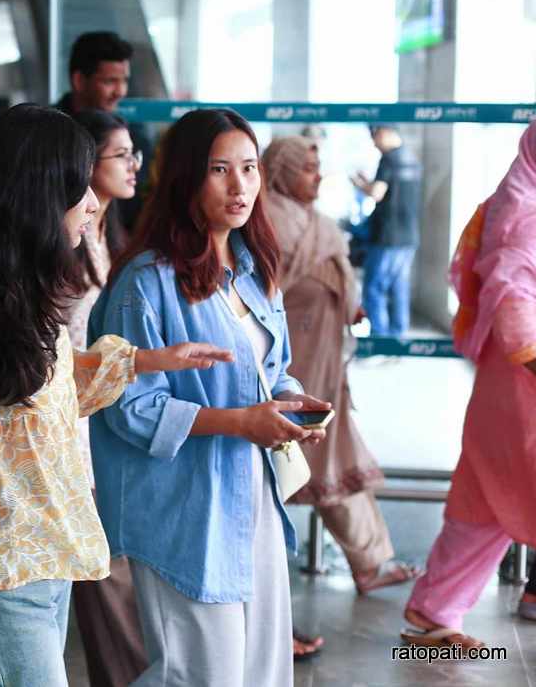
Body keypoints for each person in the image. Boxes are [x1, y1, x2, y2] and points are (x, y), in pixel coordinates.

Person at [0, 104, 231, 686]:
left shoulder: (21, 285)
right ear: (35, 192)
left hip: (42, 560)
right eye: (78, 186)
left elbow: (46, 403)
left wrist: (141, 362)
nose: (93, 203)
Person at [90, 108, 332, 687]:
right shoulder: (146, 283)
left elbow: (274, 371)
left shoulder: (253, 270)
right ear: (185, 180)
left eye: (248, 168)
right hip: (185, 510)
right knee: (201, 675)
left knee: (264, 671)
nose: (240, 185)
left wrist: (291, 403)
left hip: (253, 494)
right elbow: (128, 406)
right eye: (220, 170)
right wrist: (239, 422)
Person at [263, 136, 421, 660]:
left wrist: (346, 305)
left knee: (331, 456)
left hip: (324, 363)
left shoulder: (313, 221)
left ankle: (369, 562)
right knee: (274, 478)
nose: (315, 177)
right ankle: (275, 608)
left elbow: (333, 278)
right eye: (305, 168)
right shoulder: (265, 222)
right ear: (281, 172)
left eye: (317, 168)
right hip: (287, 369)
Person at [401, 122, 536, 648]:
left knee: (485, 497)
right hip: (524, 380)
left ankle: (434, 610)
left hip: (511, 385)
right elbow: (513, 301)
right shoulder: (522, 214)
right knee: (495, 489)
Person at [65, 109, 148, 687]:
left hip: (97, 412)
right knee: (101, 559)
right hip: (66, 417)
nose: (134, 166)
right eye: (121, 155)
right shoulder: (61, 234)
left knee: (107, 557)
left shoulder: (106, 232)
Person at [53, 31, 153, 229]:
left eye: (124, 81)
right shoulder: (49, 134)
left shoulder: (133, 136)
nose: (121, 92)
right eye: (110, 81)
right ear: (79, 81)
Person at [350, 124, 423, 338]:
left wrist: (358, 184)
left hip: (387, 237)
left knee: (374, 288)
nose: (374, 142)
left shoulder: (389, 159)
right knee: (399, 287)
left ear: (386, 132)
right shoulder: (411, 158)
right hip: (409, 236)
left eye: (375, 135)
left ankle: (380, 340)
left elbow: (377, 193)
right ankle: (398, 339)